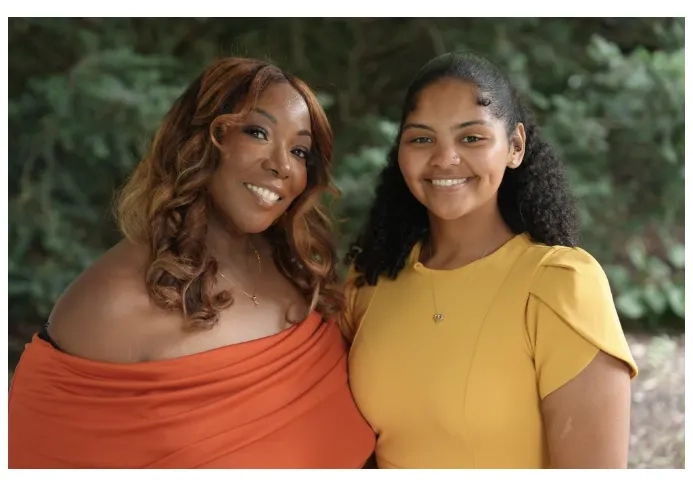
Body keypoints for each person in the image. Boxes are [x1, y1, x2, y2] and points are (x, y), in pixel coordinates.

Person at [7, 58, 376, 468]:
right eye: (257, 132)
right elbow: (36, 454)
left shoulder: (298, 268)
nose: (283, 165)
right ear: (200, 139)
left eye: (299, 151)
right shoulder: (111, 301)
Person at [342, 52, 638, 469]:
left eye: (472, 138)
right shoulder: (369, 280)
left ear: (515, 146)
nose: (445, 158)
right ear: (401, 150)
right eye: (422, 138)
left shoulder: (560, 284)